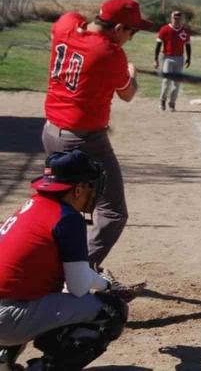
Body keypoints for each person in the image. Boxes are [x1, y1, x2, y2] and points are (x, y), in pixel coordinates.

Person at [41, 0, 152, 270]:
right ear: (117, 29)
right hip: (85, 140)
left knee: (60, 205)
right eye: (131, 32)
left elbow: (73, 20)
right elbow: (128, 93)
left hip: (50, 131)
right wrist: (130, 72)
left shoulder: (67, 25)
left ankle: (43, 264)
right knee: (112, 213)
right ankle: (76, 272)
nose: (131, 38)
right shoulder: (110, 54)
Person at [0, 151, 134, 370]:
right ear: (78, 189)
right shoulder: (67, 218)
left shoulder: (33, 204)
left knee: (43, 292)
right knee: (112, 311)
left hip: (7, 308)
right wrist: (106, 287)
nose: (94, 191)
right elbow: (78, 287)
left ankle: (3, 358)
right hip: (7, 318)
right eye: (90, 185)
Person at [154, 10, 192, 111]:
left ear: (181, 19)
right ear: (171, 18)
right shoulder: (165, 29)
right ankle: (162, 101)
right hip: (167, 57)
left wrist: (189, 58)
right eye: (175, 18)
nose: (177, 21)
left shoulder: (184, 31)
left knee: (177, 83)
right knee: (166, 81)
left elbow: (187, 45)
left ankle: (172, 103)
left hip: (179, 58)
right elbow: (158, 44)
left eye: (179, 19)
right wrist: (156, 59)